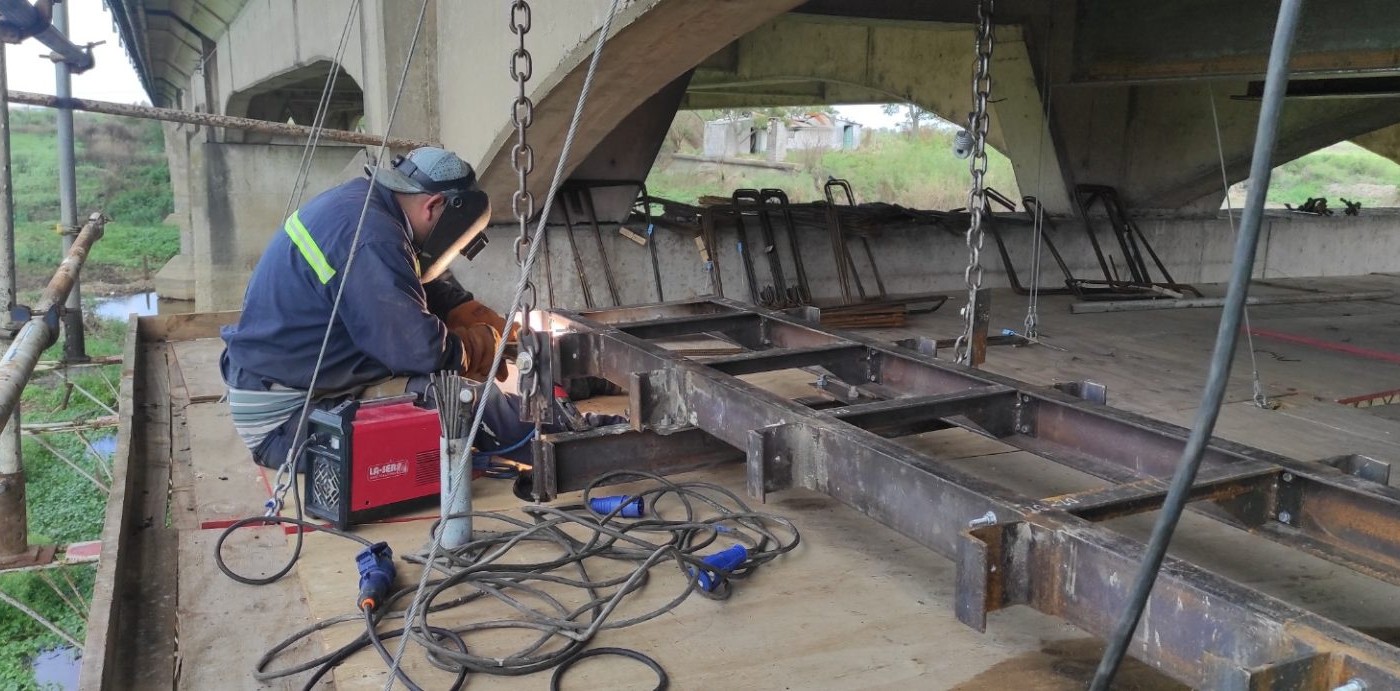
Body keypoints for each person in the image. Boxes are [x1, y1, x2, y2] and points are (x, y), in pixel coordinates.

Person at [220, 147, 582, 470]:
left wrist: (462, 308)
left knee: (450, 374)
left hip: (286, 383)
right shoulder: (372, 239)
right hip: (289, 424)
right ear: (434, 205)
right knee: (451, 396)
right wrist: (473, 348)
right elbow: (419, 352)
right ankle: (575, 440)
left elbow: (406, 280)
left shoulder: (365, 206)